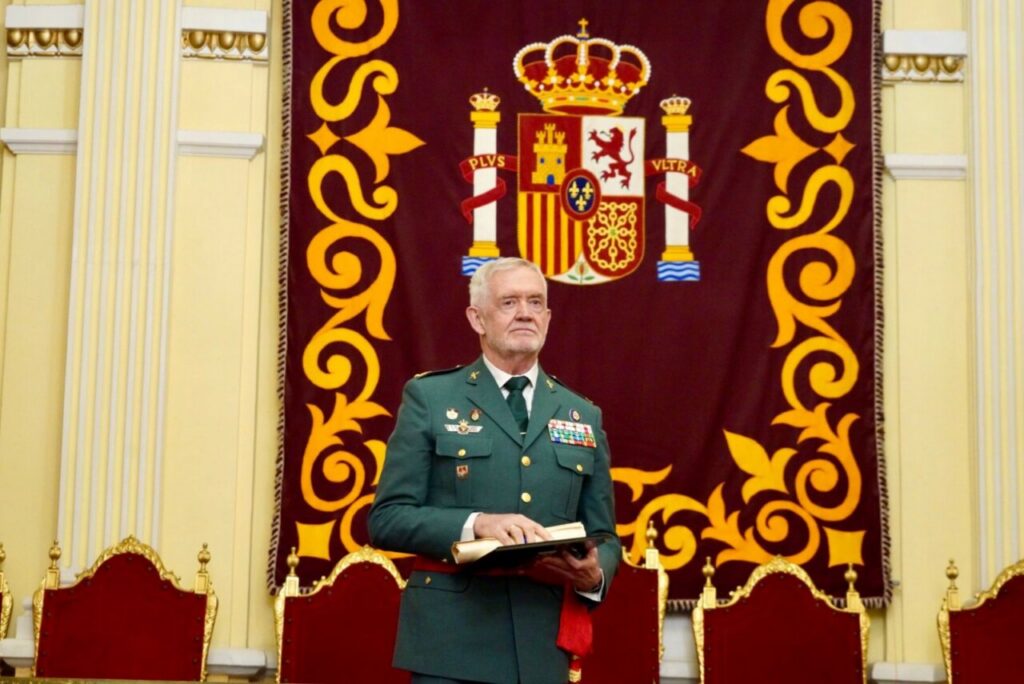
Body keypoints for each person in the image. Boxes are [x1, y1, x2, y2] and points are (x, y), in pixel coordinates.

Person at [368, 257, 620, 684]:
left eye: (536, 302)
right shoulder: (430, 397)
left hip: (542, 647)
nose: (525, 312)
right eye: (509, 302)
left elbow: (605, 534)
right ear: (477, 318)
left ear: (548, 316)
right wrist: (476, 524)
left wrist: (595, 575)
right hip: (451, 647)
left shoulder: (582, 414)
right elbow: (387, 519)